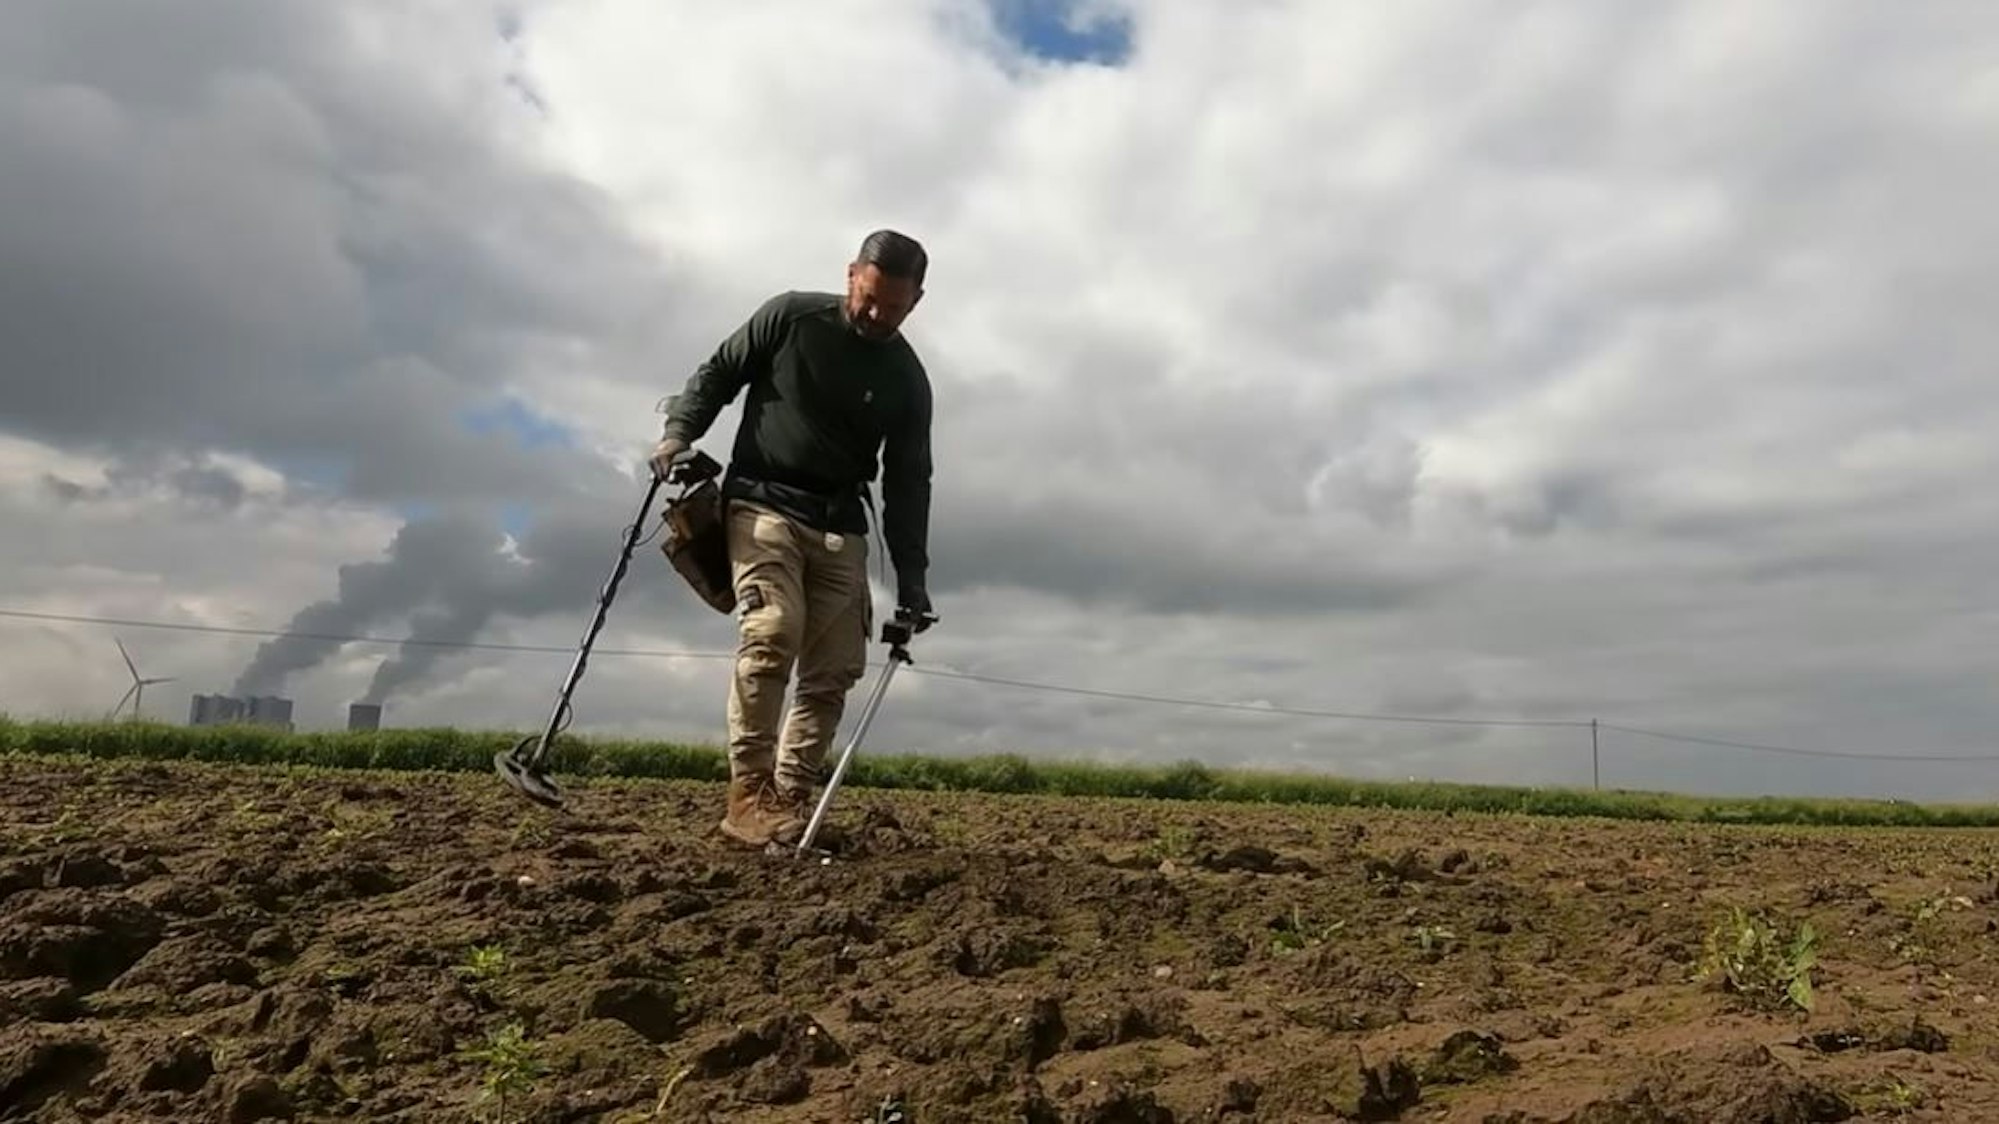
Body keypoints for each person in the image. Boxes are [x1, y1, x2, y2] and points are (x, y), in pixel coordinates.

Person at [649, 229, 937, 848]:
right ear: (851, 275)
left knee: (833, 670)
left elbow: (910, 482)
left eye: (894, 306)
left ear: (916, 301)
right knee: (773, 630)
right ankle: (747, 796)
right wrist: (679, 433)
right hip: (762, 501)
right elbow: (720, 372)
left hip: (842, 526)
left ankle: (788, 802)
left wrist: (912, 578)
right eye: (868, 298)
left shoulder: (908, 380)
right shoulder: (792, 317)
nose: (876, 315)